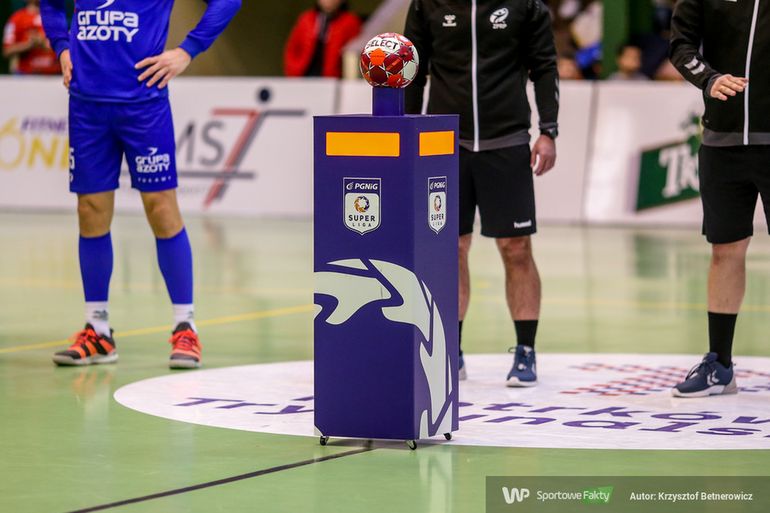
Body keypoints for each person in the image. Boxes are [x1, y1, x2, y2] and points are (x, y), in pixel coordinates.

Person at [40, 0, 241, 368]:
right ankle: (98, 331)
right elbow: (51, 5)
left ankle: (185, 326)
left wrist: (187, 50)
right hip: (86, 107)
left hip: (143, 106)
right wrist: (61, 46)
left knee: (161, 208)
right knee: (90, 210)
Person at [405, 0, 559, 387]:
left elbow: (544, 67)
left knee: (516, 247)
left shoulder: (525, 4)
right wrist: (408, 132)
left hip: (506, 141)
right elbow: (413, 70)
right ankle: (450, 351)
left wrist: (549, 130)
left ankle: (525, 350)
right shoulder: (427, 3)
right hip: (445, 143)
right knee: (452, 246)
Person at [670, 0, 763, 397]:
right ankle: (720, 365)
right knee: (725, 250)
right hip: (722, 143)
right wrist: (708, 78)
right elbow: (681, 45)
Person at [284, 0, 361, 78]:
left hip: (333, 76)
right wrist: (293, 69)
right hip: (303, 74)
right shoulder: (307, 19)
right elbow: (293, 47)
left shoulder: (350, 22)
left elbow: (354, 52)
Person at [2, 0, 60, 75]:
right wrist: (29, 44)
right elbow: (7, 50)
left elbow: (67, 45)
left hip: (53, 74)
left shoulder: (55, 16)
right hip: (26, 75)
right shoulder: (17, 18)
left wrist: (44, 43)